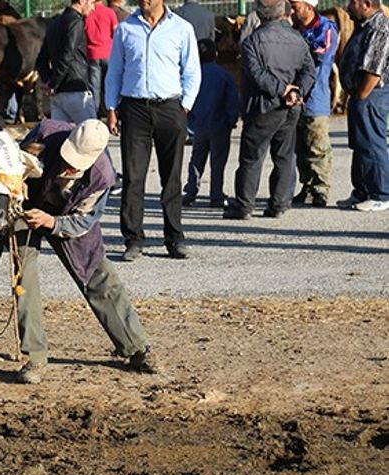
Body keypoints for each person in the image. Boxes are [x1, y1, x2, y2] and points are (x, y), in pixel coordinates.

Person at [14, 118, 158, 384]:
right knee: (23, 279)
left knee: (99, 276)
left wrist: (53, 222)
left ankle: (136, 347)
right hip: (28, 207)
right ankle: (34, 357)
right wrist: (18, 186)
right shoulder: (46, 134)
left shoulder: (103, 176)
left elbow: (85, 220)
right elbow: (13, 165)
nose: (69, 164)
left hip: (69, 217)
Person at [104, 0, 201, 261]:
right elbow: (115, 71)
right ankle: (133, 239)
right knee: (134, 177)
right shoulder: (126, 29)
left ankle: (174, 238)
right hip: (134, 108)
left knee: (171, 177)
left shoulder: (182, 29)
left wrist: (185, 106)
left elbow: (192, 70)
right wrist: (111, 107)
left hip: (170, 107)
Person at [224, 0, 315, 220]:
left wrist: (282, 90)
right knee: (284, 155)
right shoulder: (298, 39)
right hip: (290, 107)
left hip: (262, 106)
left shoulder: (251, 42)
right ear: (282, 13)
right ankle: (279, 204)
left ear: (260, 14)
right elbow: (309, 71)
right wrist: (296, 92)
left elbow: (256, 75)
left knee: (252, 157)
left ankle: (245, 205)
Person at [337, 0, 389, 212]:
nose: (348, 8)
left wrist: (361, 96)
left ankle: (381, 194)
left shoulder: (380, 28)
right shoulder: (365, 26)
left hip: (371, 94)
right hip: (360, 94)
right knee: (359, 144)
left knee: (371, 143)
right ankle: (362, 191)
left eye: (353, 3)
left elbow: (374, 69)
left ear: (366, 4)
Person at [290, 0, 338, 208]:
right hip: (294, 99)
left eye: (296, 6)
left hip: (315, 97)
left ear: (309, 7)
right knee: (300, 146)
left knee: (317, 145)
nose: (292, 10)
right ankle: (307, 185)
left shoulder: (325, 29)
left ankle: (321, 189)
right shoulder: (292, 28)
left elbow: (321, 55)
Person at [183, 39, 239, 208]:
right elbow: (232, 101)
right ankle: (216, 194)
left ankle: (191, 191)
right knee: (218, 161)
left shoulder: (192, 75)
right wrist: (232, 119)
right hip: (220, 124)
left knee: (196, 159)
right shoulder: (224, 75)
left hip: (198, 124)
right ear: (216, 54)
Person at [36, 0, 97, 124]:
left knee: (59, 139)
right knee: (93, 136)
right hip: (75, 90)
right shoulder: (76, 22)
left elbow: (41, 59)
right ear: (82, 1)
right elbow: (67, 55)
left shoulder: (54, 24)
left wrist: (49, 81)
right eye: (91, 3)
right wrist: (53, 83)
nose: (93, 8)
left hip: (58, 95)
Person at [85, 0, 119, 113]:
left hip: (92, 54)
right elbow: (116, 33)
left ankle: (95, 115)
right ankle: (112, 111)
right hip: (109, 53)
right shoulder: (110, 12)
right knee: (111, 85)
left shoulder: (87, 13)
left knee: (94, 88)